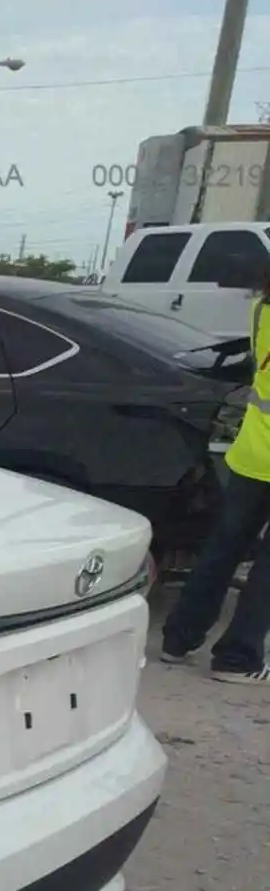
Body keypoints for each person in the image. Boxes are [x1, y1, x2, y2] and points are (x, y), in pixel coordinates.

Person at [159, 266, 270, 684]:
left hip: (253, 452)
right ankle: (237, 659)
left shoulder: (263, 309)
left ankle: (178, 639)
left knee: (224, 549)